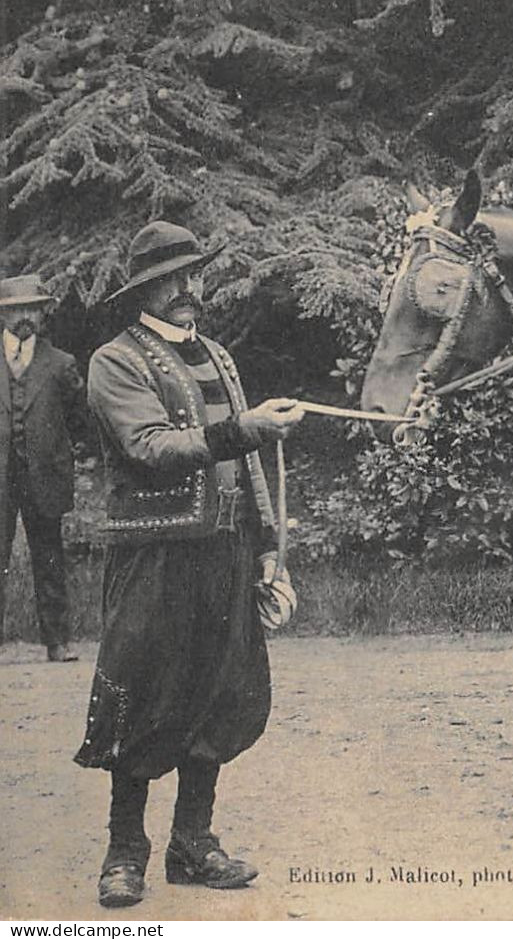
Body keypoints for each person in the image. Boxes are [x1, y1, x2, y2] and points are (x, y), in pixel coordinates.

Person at [74, 220, 304, 909]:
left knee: (219, 691)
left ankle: (193, 842)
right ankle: (124, 852)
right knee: (143, 696)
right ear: (144, 289)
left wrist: (268, 544)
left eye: (195, 275)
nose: (189, 289)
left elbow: (249, 462)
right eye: (173, 279)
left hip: (224, 553)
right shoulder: (115, 361)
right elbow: (149, 445)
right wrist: (243, 428)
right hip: (153, 554)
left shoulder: (222, 358)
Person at [1, 274, 86, 662]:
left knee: (49, 554)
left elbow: (78, 419)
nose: (24, 316)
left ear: (43, 312)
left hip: (44, 473)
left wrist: (60, 453)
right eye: (16, 309)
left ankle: (58, 640)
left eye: (31, 308)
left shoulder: (60, 363)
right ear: (4, 314)